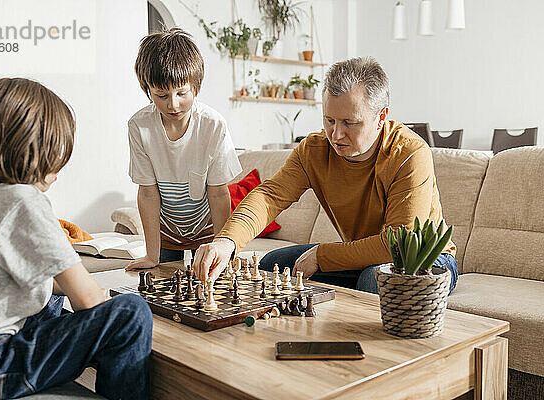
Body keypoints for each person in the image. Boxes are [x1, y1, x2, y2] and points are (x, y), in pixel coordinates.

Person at [0, 78, 152, 400]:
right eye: (58, 153)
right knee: (131, 313)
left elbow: (15, 286)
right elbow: (88, 299)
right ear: (30, 151)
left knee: (46, 293)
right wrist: (100, 310)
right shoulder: (21, 199)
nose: (61, 167)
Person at [193, 57, 458, 294]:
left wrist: (323, 255)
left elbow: (396, 245)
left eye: (349, 123)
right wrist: (226, 242)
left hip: (426, 260)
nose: (336, 134)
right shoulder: (314, 149)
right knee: (272, 265)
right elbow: (269, 196)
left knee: (373, 279)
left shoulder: (410, 153)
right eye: (329, 120)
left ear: (381, 117)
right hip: (364, 255)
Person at [126, 28, 242, 270]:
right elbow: (148, 193)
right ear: (148, 89)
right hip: (166, 235)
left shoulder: (213, 124)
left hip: (209, 232)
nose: (173, 104)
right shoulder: (139, 125)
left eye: (181, 93)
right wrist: (151, 255)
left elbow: (219, 194)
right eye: (161, 95)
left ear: (196, 86)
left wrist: (222, 246)